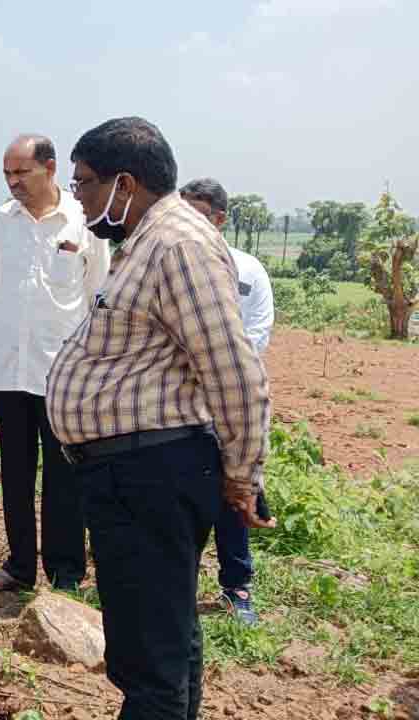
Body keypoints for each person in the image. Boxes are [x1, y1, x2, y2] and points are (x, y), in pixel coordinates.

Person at [47, 117, 274, 719]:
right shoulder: (147, 241)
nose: (80, 198)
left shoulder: (177, 244)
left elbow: (235, 371)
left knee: (151, 663)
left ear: (126, 183)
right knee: (164, 643)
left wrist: (243, 474)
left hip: (150, 474)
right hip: (132, 474)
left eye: (86, 184)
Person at [0, 135, 109, 594]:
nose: (13, 182)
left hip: (63, 373)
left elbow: (98, 297)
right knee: (16, 472)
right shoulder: (0, 222)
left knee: (64, 476)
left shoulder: (83, 220)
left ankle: (66, 574)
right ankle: (20, 566)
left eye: (21, 172)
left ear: (49, 169)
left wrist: (96, 368)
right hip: (9, 368)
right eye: (7, 173)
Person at [181, 177, 274, 626]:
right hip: (178, 402)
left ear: (219, 219)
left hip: (226, 401)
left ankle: (237, 587)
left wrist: (216, 369)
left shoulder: (249, 271)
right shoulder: (172, 266)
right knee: (181, 495)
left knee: (232, 496)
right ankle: (178, 585)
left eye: (198, 214)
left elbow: (255, 336)